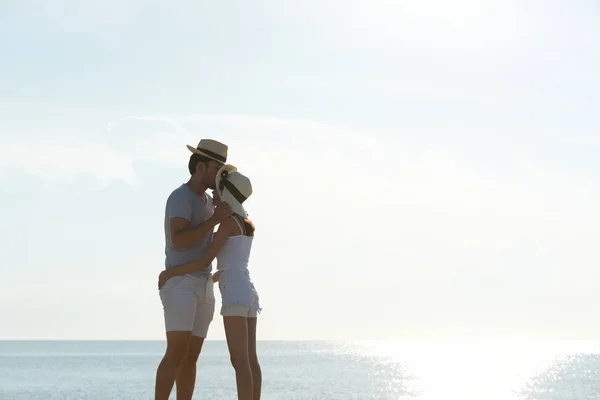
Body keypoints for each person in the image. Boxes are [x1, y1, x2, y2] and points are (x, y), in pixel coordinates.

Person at [158, 164, 261, 400]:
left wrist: (171, 274)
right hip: (248, 290)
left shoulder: (227, 224)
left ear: (226, 195)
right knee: (251, 360)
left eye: (218, 191)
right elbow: (233, 263)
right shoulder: (246, 224)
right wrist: (214, 277)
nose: (214, 193)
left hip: (234, 293)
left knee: (239, 361)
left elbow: (206, 258)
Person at [155, 139, 233, 400]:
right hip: (180, 283)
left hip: (203, 282)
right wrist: (213, 219)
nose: (220, 175)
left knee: (191, 357)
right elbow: (178, 239)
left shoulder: (210, 202)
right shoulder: (181, 197)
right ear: (201, 167)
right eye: (217, 169)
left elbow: (209, 243)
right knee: (175, 353)